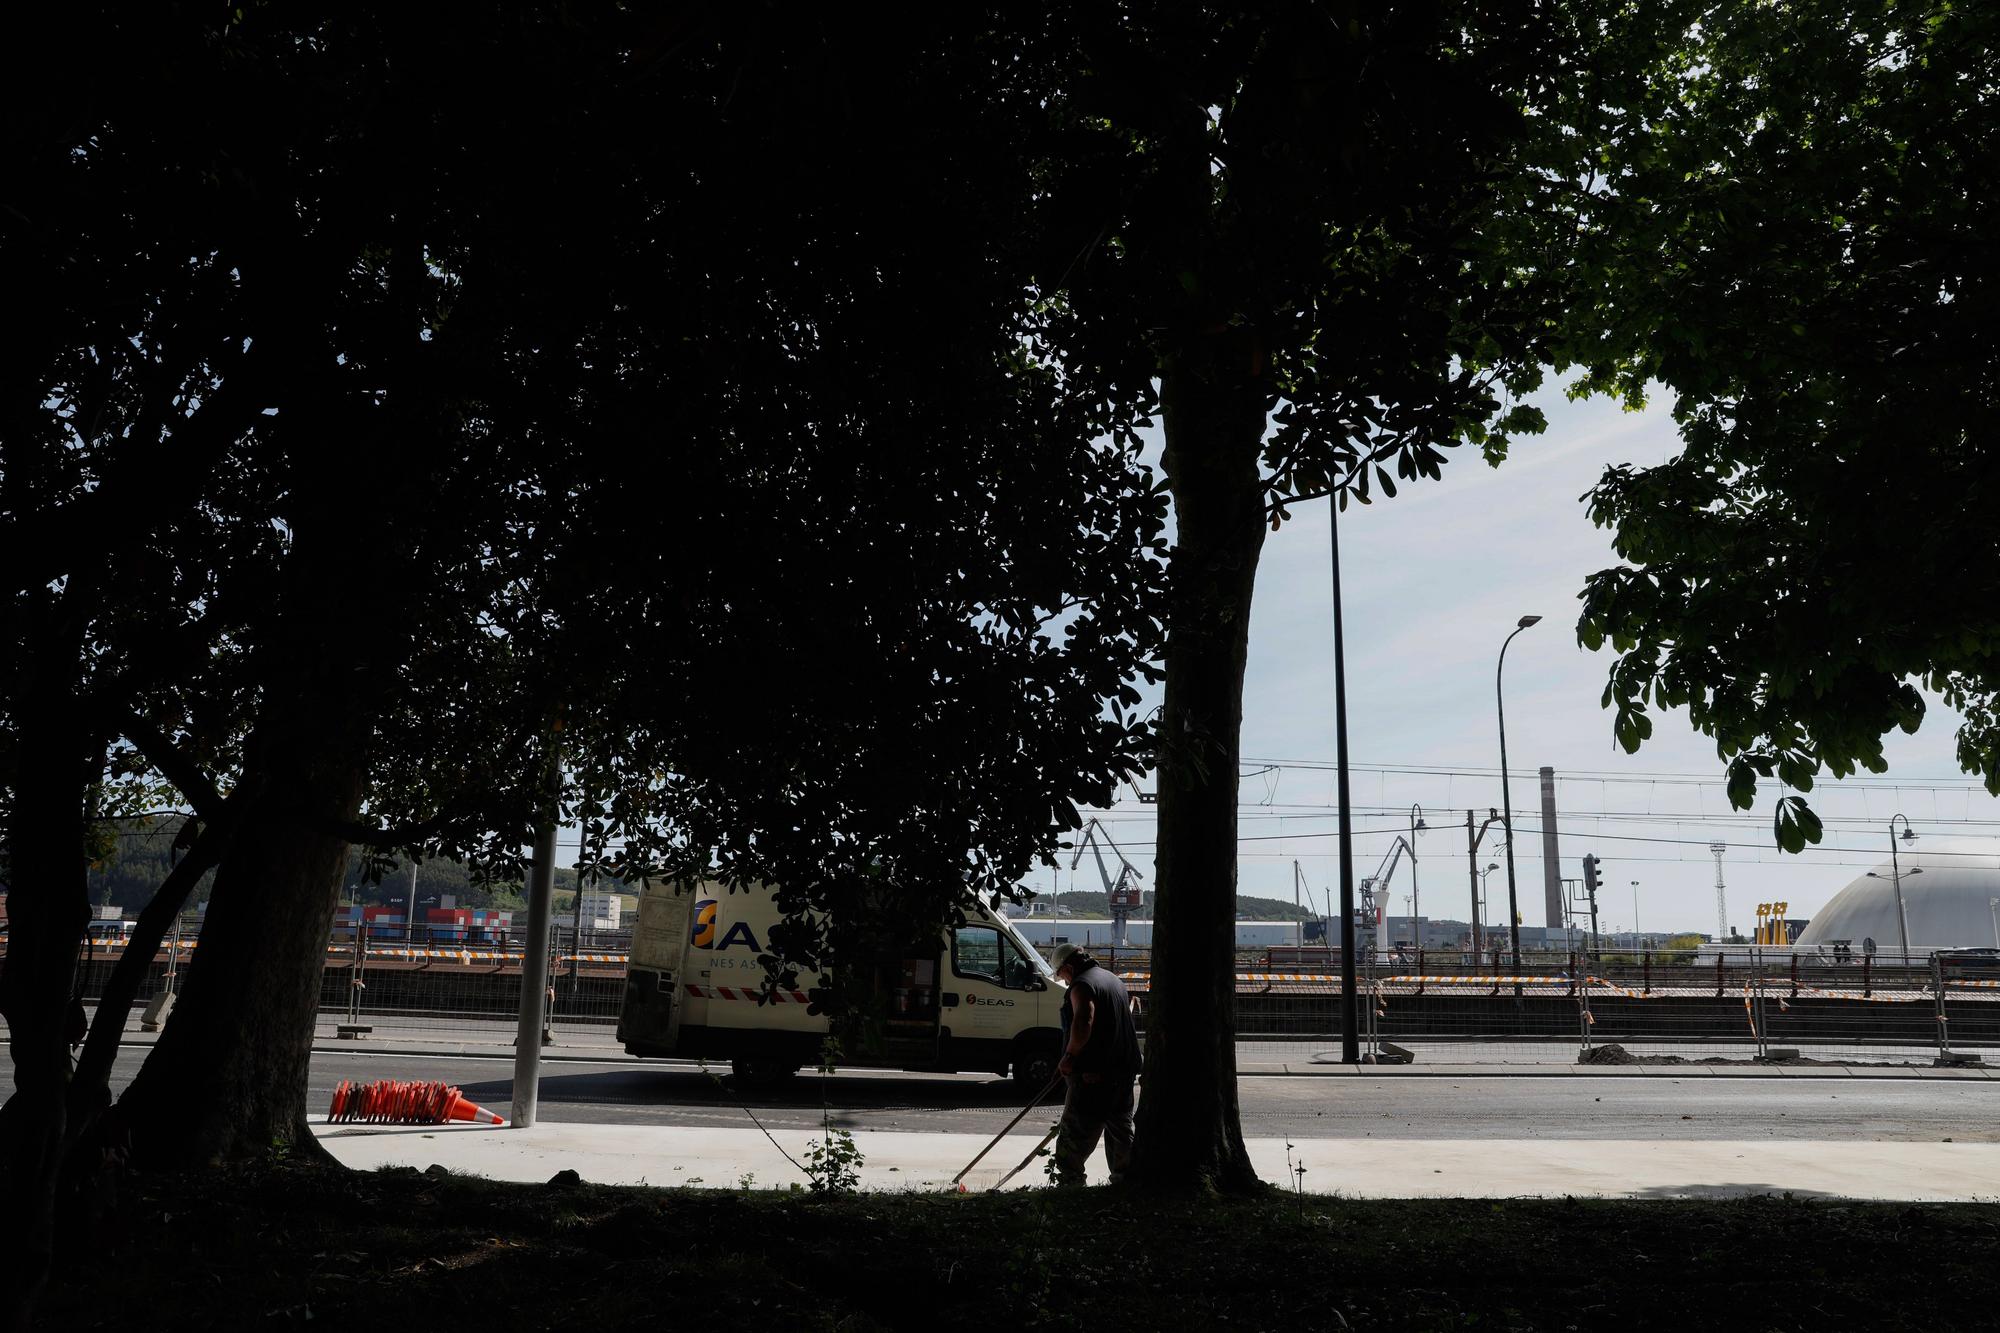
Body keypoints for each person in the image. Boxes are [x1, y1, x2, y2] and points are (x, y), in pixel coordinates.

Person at [1049, 943, 1140, 1187]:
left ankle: (1070, 1184)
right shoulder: (1113, 980)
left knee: (1076, 1133)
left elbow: (1084, 1020)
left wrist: (1069, 1056)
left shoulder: (1082, 985)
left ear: (1068, 967)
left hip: (1093, 1074)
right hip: (1122, 1072)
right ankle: (1124, 1182)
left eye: (1062, 975)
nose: (1064, 982)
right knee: (1120, 1129)